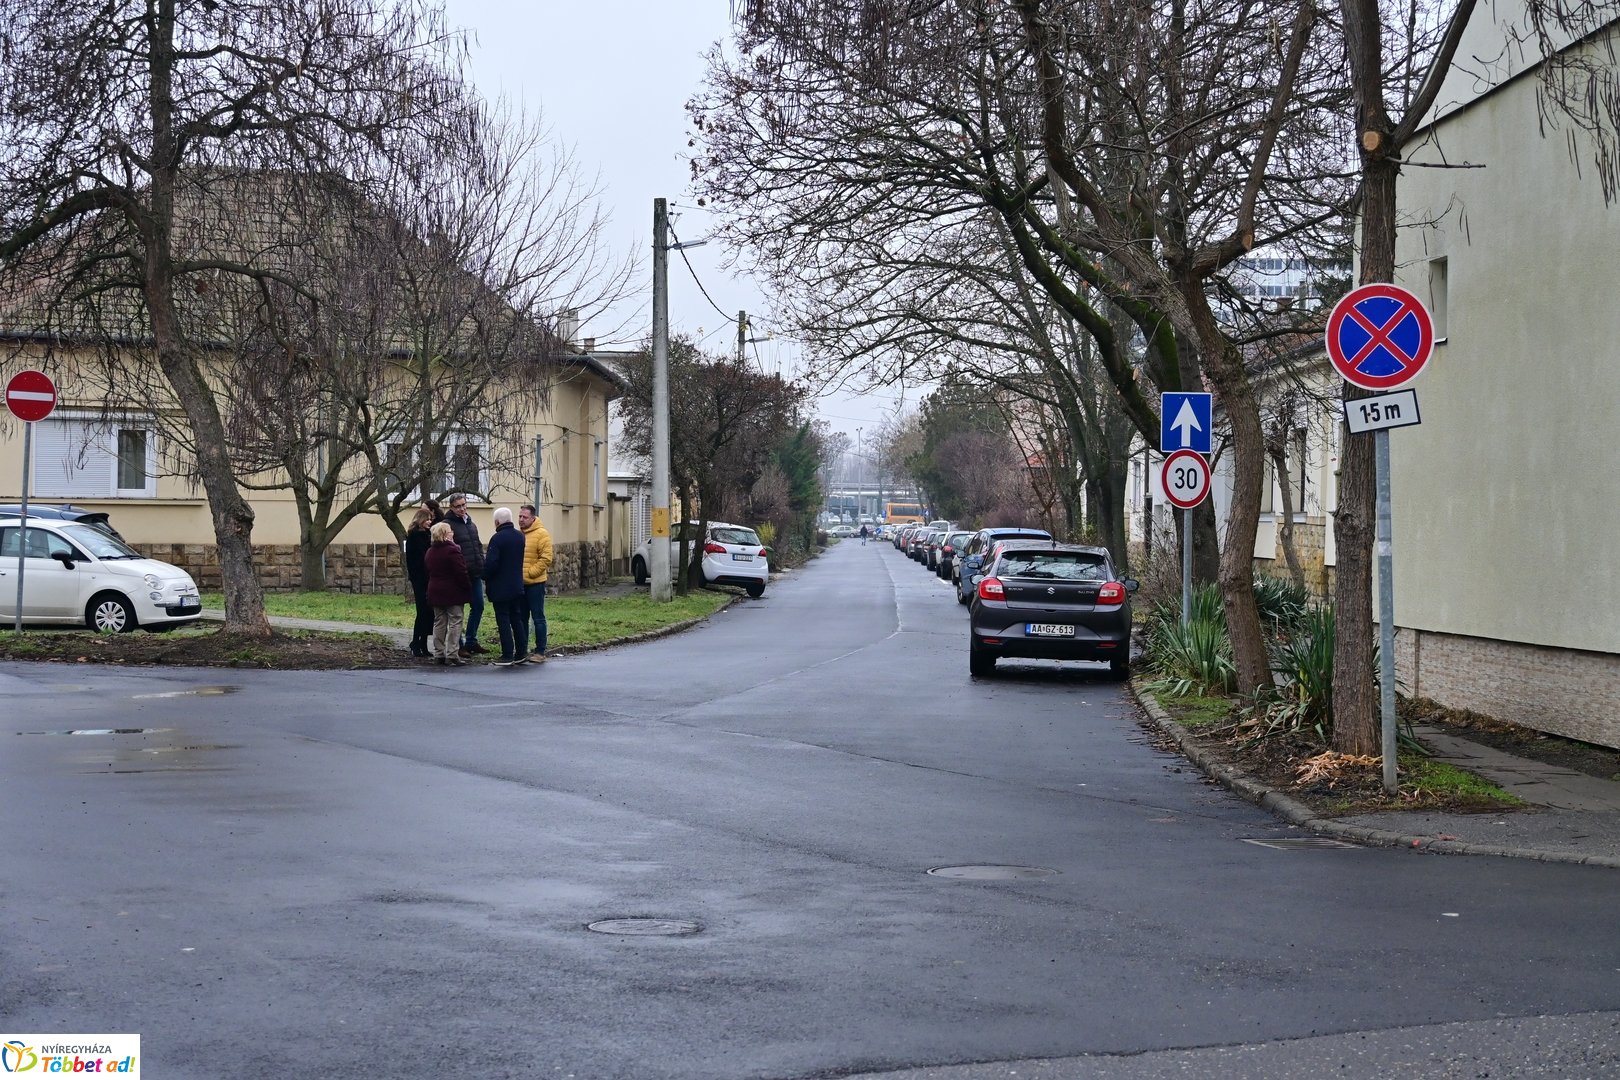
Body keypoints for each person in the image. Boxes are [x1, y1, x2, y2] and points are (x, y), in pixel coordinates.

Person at [482, 506, 528, 665]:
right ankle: (521, 652)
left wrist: (483, 574)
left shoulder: (497, 539)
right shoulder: (520, 536)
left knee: (503, 621)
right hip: (516, 584)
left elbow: (492, 564)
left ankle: (507, 654)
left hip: (500, 587)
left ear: (497, 522)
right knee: (517, 618)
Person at [424, 521, 471, 665]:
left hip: (435, 590)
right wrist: (467, 587)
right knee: (455, 621)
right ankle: (452, 653)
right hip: (452, 591)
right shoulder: (452, 550)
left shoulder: (430, 551)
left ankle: (438, 653)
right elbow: (461, 571)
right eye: (450, 531)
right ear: (445, 534)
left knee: (439, 621)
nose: (453, 533)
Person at [445, 493, 486, 655]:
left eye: (463, 505)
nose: (462, 509)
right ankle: (459, 644)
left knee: (478, 606)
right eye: (458, 506)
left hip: (475, 573)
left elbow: (477, 545)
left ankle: (471, 640)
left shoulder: (470, 523)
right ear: (451, 507)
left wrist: (481, 562)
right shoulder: (447, 525)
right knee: (457, 611)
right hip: (458, 575)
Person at [518, 503, 554, 663]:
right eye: (520, 516)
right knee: (521, 617)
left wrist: (530, 573)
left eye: (524, 517)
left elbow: (546, 558)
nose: (521, 520)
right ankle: (522, 649)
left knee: (538, 617)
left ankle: (540, 651)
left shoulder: (542, 534)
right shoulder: (519, 534)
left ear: (533, 518)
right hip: (520, 584)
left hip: (535, 583)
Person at [404, 507, 435, 657]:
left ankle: (423, 643)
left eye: (430, 519)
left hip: (428, 578)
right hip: (420, 579)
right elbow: (416, 560)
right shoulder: (414, 536)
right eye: (427, 519)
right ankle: (416, 642)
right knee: (422, 611)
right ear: (420, 520)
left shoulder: (427, 535)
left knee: (429, 612)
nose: (429, 522)